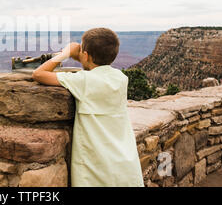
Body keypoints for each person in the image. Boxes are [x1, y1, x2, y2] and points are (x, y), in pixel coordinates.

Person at [32, 28, 144, 187]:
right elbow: (96, 68)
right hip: (125, 167)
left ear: (85, 55)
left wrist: (65, 53)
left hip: (97, 173)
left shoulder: (82, 81)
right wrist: (85, 56)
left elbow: (38, 74)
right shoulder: (121, 78)